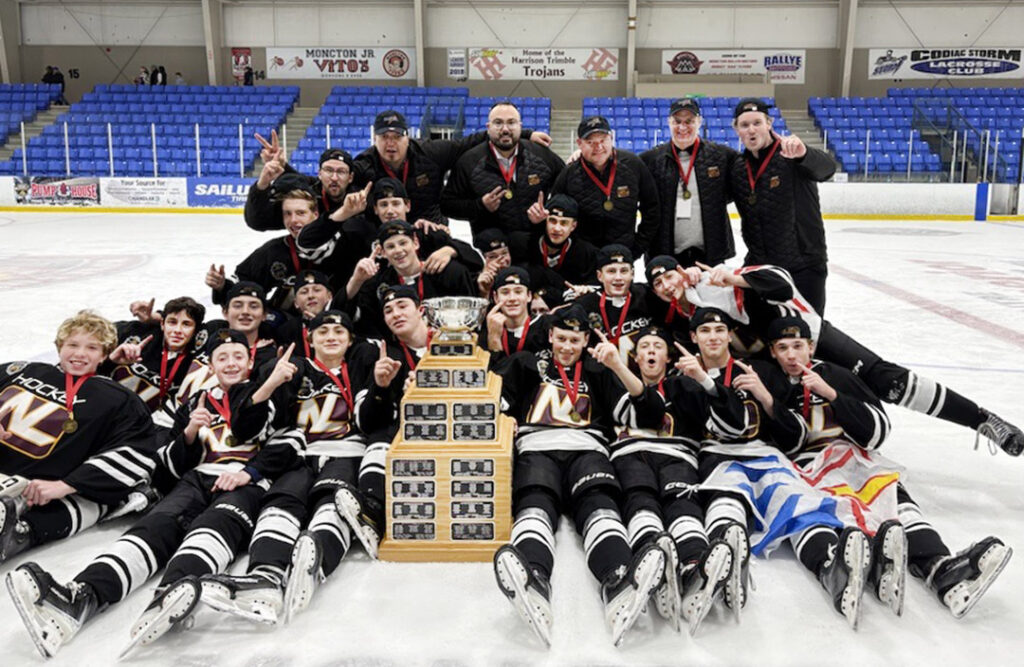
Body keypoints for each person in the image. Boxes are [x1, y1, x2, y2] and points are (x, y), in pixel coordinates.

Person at [5, 330, 300, 658]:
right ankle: (79, 598)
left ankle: (172, 590)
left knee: (212, 526)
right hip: (194, 480)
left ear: (249, 363)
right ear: (210, 364)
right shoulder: (195, 401)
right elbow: (171, 465)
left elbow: (289, 441)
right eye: (222, 357)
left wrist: (249, 472)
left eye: (238, 357)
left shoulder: (270, 394)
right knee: (149, 531)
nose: (230, 363)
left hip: (245, 485)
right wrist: (189, 433)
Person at [759, 317, 1011, 625]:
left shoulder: (835, 375)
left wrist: (833, 395)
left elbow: (877, 431)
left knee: (890, 492)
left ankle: (939, 569)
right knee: (802, 507)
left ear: (811, 347)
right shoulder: (768, 380)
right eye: (782, 348)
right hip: (801, 467)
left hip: (848, 458)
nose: (791, 355)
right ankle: (833, 569)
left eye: (798, 346)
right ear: (772, 352)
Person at [644, 256, 1024, 457]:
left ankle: (981, 419)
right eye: (658, 283)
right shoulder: (689, 313)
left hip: (815, 336)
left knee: (888, 382)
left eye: (670, 277)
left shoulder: (723, 275)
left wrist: (734, 278)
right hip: (781, 358)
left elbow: (781, 282)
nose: (666, 286)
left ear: (682, 270)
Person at [197, 310, 394, 625]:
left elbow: (372, 422)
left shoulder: (361, 368)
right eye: (323, 332)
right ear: (310, 339)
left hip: (345, 454)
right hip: (299, 456)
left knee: (333, 501)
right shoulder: (293, 369)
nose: (331, 337)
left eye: (338, 332)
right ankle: (265, 576)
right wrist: (271, 382)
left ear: (349, 340)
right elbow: (248, 427)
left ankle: (318, 561)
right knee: (280, 503)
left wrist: (381, 387)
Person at [492, 305, 668, 647]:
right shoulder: (528, 362)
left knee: (600, 503)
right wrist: (505, 419)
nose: (567, 347)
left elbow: (649, 415)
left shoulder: (598, 369)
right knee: (534, 502)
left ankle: (618, 578)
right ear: (550, 336)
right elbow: (490, 399)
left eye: (575, 340)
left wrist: (617, 364)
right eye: (561, 339)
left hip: (588, 449)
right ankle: (533, 577)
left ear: (587, 339)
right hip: (536, 447)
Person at [607, 324, 748, 635]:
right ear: (636, 356)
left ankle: (694, 570)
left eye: (658, 346)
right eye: (645, 347)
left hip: (679, 455)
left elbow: (732, 426)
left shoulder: (684, 386)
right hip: (631, 454)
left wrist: (704, 381)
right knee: (640, 500)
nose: (651, 351)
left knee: (682, 506)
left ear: (668, 357)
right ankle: (652, 564)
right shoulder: (617, 381)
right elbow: (644, 413)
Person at [0, 311, 158, 564]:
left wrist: (66, 485)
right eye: (72, 345)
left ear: (105, 354)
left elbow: (138, 453)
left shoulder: (119, 400)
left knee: (102, 498)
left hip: (31, 492)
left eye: (92, 348)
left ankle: (23, 533)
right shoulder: (23, 370)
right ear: (59, 346)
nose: (80, 354)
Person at [352, 109, 552, 227]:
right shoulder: (364, 164)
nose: (390, 144)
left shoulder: (430, 152)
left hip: (432, 230)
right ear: (374, 139)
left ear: (407, 137)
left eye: (396, 137)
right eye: (384, 137)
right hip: (384, 231)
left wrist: (525, 134)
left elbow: (470, 143)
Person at [729, 98, 835, 314]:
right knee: (764, 335)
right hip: (762, 267)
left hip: (803, 265)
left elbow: (827, 169)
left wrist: (805, 154)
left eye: (757, 123)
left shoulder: (792, 155)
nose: (751, 130)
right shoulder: (738, 168)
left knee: (805, 336)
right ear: (736, 129)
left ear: (769, 123)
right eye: (744, 125)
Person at [441, 101, 565, 242]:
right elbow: (447, 205)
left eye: (511, 123)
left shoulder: (542, 155)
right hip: (493, 251)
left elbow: (567, 191)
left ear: (520, 126)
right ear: (488, 127)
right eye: (498, 123)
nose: (505, 129)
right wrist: (479, 206)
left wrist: (548, 211)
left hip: (536, 245)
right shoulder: (469, 162)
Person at [640, 98, 738, 266]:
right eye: (677, 121)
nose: (682, 127)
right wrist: (581, 157)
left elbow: (753, 169)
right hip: (664, 255)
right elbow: (621, 170)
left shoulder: (722, 156)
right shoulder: (650, 160)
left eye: (689, 121)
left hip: (711, 255)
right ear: (669, 122)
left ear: (699, 122)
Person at [550, 116, 660, 257]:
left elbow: (652, 208)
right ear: (579, 143)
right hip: (583, 259)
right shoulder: (568, 174)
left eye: (603, 140)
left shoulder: (633, 165)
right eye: (591, 142)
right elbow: (556, 215)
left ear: (611, 137)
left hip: (623, 257)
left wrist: (637, 248)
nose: (599, 147)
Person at [345, 220, 475, 338]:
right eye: (390, 247)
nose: (398, 250)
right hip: (404, 354)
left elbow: (478, 263)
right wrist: (356, 279)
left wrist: (451, 249)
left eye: (403, 243)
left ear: (416, 243)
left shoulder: (448, 271)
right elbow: (352, 316)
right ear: (382, 252)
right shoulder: (379, 283)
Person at [105, 296, 206, 413]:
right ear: (162, 324)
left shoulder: (196, 356)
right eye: (172, 322)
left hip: (148, 424)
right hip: (108, 409)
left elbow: (222, 329)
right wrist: (111, 360)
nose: (178, 330)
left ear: (196, 330)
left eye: (186, 324)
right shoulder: (136, 333)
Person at [244, 145, 356, 232]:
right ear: (320, 174)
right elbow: (258, 222)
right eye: (329, 170)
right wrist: (262, 184)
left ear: (351, 177)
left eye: (341, 172)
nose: (334, 178)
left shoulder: (360, 201)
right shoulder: (304, 199)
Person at [573, 244, 653, 364]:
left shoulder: (647, 295)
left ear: (632, 274)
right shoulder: (584, 305)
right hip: (603, 377)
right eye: (611, 271)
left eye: (624, 271)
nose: (618, 277)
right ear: (600, 276)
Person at [520, 194, 598, 309]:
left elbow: (596, 286)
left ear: (573, 226)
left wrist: (585, 290)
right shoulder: (524, 245)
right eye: (552, 221)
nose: (557, 228)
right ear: (545, 221)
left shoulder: (587, 253)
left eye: (564, 223)